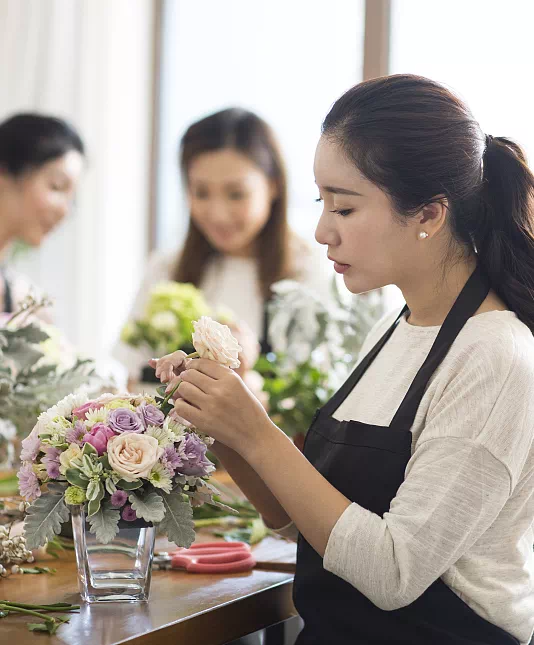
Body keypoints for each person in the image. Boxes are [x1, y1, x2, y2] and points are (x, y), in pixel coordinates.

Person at [151, 75, 534, 644]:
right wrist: (222, 420)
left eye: (346, 207)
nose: (323, 230)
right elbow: (297, 523)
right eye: (321, 200)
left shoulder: (493, 359)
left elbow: (393, 572)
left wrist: (257, 433)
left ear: (429, 214)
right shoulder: (395, 328)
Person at [113, 108, 333, 382]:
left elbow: (313, 395)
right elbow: (132, 379)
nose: (218, 214)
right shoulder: (167, 269)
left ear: (273, 185)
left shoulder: (306, 274)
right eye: (201, 192)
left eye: (236, 194)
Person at [0, 113, 84, 315]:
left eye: (72, 199)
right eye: (56, 187)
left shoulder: (26, 304)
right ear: (4, 172)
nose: (65, 210)